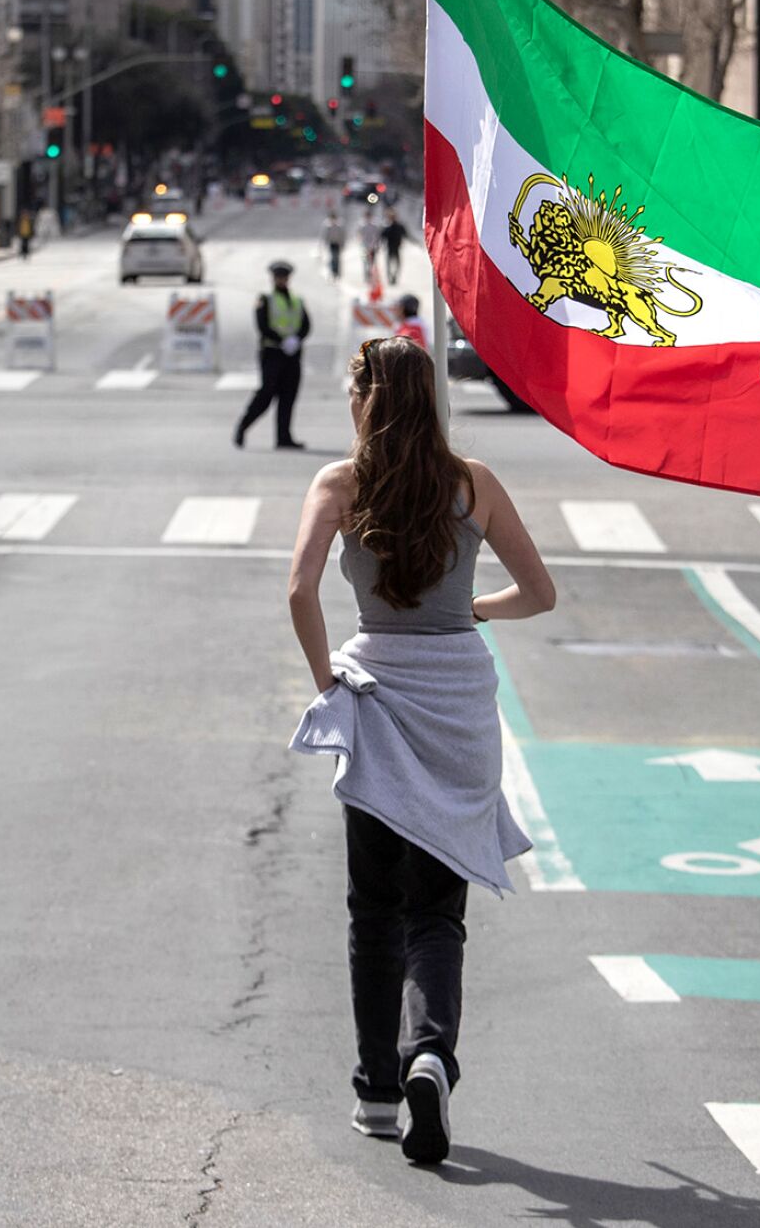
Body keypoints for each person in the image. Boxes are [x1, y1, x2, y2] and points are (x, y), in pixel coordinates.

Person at [284, 336, 556, 1164]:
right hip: (459, 708)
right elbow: (541, 593)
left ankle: (375, 1088)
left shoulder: (339, 484)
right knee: (437, 908)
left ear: (365, 396)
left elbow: (299, 589)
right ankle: (429, 1052)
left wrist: (330, 680)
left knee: (374, 909)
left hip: (376, 700)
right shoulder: (472, 483)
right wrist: (469, 609)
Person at [235, 261, 311, 450]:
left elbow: (306, 323)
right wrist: (282, 340)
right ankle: (243, 426)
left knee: (288, 396)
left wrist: (297, 339)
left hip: (292, 354)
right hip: (272, 353)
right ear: (273, 278)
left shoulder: (296, 299)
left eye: (284, 277)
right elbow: (262, 326)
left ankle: (283, 437)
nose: (282, 280)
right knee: (266, 394)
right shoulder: (265, 298)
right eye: (278, 277)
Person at [382, 210, 408, 285]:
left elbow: (406, 235)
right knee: (390, 264)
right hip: (390, 248)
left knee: (397, 264)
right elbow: (382, 236)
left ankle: (394, 277)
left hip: (396, 248)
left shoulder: (399, 226)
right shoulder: (387, 227)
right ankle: (391, 278)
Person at [359, 210, 383, 282]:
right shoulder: (362, 226)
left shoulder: (375, 226)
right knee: (365, 262)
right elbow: (360, 237)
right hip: (364, 248)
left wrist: (376, 246)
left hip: (373, 248)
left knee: (372, 262)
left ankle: (372, 275)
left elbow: (377, 237)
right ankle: (367, 275)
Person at [322, 211, 345, 281]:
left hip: (337, 243)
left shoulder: (339, 226)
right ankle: (333, 272)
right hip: (331, 243)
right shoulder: (328, 226)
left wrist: (342, 243)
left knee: (337, 258)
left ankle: (337, 272)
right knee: (332, 258)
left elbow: (342, 235)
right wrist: (325, 243)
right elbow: (325, 235)